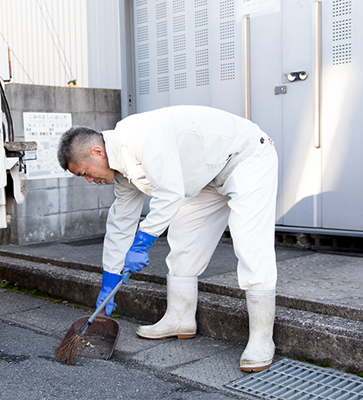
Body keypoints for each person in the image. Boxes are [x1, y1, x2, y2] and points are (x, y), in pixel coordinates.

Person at [57, 105, 278, 372]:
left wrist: (141, 243)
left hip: (246, 158)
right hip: (205, 179)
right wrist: (109, 278)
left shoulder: (139, 135)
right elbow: (120, 223)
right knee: (184, 239)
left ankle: (262, 338)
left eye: (85, 173)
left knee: (250, 244)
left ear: (97, 152)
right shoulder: (122, 171)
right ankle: (180, 318)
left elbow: (170, 194)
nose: (90, 180)